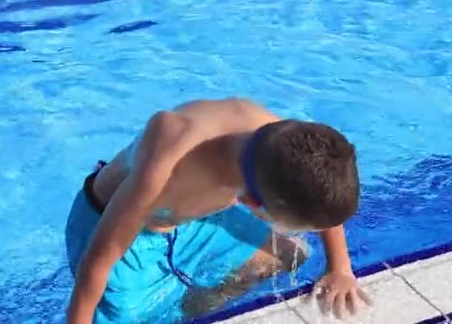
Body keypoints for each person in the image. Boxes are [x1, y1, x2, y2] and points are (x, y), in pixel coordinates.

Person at [65, 98, 371, 323]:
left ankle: (192, 309)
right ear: (252, 203)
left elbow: (323, 190)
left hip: (194, 218)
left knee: (291, 256)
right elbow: (96, 264)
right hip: (115, 230)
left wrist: (340, 268)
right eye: (291, 225)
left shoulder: (283, 143)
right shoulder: (166, 162)